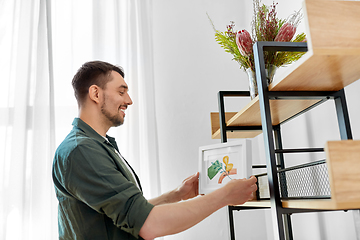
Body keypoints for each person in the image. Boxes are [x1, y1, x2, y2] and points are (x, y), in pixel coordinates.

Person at [52, 60, 257, 240]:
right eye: (121, 92)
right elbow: (148, 225)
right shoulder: (81, 151)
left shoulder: (96, 145)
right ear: (96, 93)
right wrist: (224, 196)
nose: (129, 100)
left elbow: (130, 213)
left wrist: (176, 195)